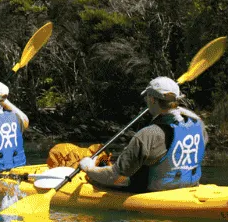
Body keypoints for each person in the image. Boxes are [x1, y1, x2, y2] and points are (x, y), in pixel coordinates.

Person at [79, 76, 207, 192]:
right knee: (107, 161)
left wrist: (89, 169)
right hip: (189, 187)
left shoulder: (147, 135)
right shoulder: (198, 125)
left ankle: (94, 167)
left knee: (100, 171)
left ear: (152, 99)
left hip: (152, 192)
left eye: (147, 97)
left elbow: (115, 176)